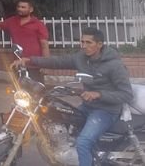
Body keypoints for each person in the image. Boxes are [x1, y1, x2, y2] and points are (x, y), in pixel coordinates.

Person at [13, 27, 133, 166]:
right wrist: (29, 60)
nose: (84, 46)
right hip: (87, 106)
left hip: (106, 110)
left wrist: (98, 94)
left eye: (89, 43)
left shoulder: (115, 65)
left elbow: (126, 94)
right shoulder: (81, 58)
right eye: (82, 42)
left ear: (99, 44)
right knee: (65, 129)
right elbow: (57, 62)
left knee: (83, 142)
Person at [0, 0, 49, 82]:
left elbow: (44, 45)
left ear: (31, 10)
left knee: (37, 92)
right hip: (18, 64)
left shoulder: (38, 24)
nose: (20, 9)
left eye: (23, 7)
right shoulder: (11, 21)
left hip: (35, 65)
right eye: (18, 7)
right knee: (19, 92)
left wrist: (45, 63)